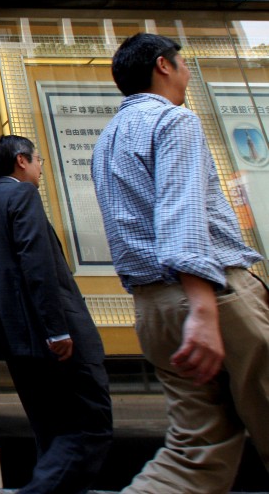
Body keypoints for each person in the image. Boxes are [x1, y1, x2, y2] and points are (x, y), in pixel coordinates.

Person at [92, 33, 269, 494]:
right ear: (163, 65)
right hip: (213, 297)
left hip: (154, 309)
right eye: (184, 62)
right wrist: (204, 309)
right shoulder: (174, 121)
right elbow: (181, 212)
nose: (189, 71)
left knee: (195, 454)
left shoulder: (106, 140)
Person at [0, 135, 112, 494]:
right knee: (87, 424)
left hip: (15, 333)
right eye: (38, 159)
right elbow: (36, 264)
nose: (42, 167)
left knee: (51, 432)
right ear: (21, 160)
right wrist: (57, 330)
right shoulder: (21, 195)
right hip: (45, 334)